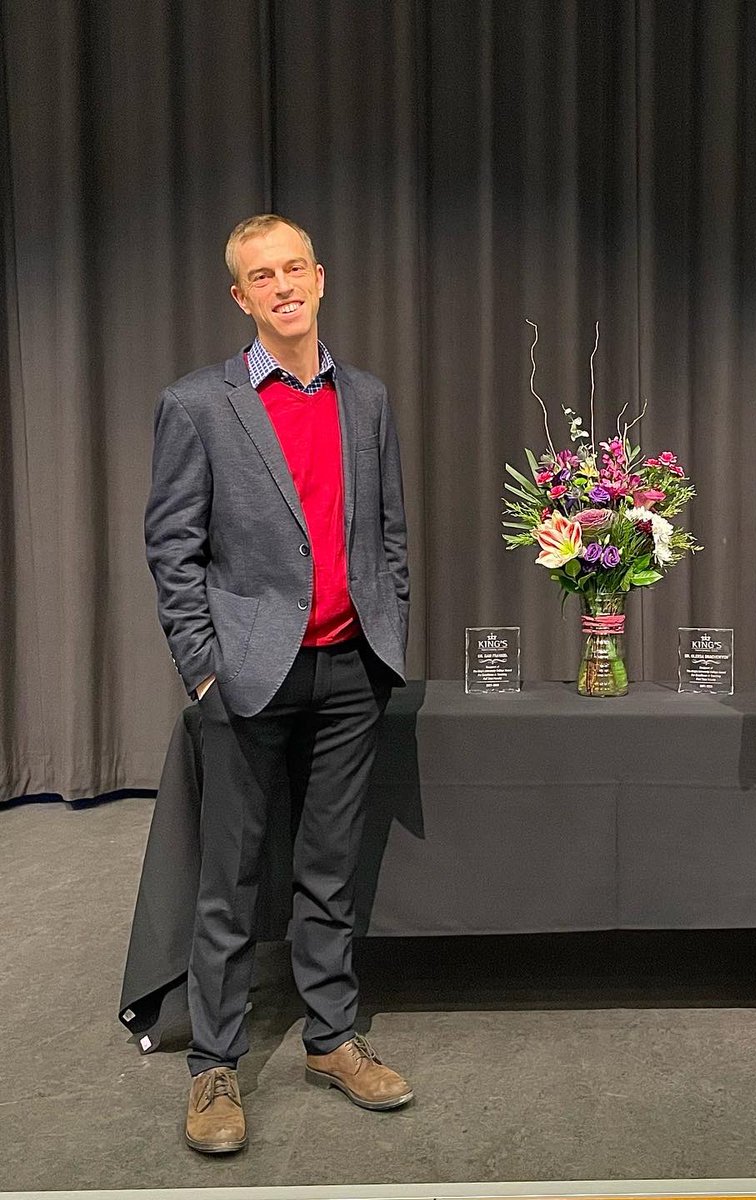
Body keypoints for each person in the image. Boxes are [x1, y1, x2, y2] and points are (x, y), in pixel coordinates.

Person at [145, 214, 413, 1154]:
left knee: (330, 871)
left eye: (295, 267)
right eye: (263, 276)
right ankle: (214, 1066)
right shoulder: (198, 404)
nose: (283, 285)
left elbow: (387, 535)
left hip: (350, 672)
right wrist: (203, 666)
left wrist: (389, 627)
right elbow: (172, 549)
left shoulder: (368, 399)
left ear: (321, 276)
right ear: (241, 296)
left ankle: (332, 1039)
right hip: (248, 679)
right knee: (231, 880)